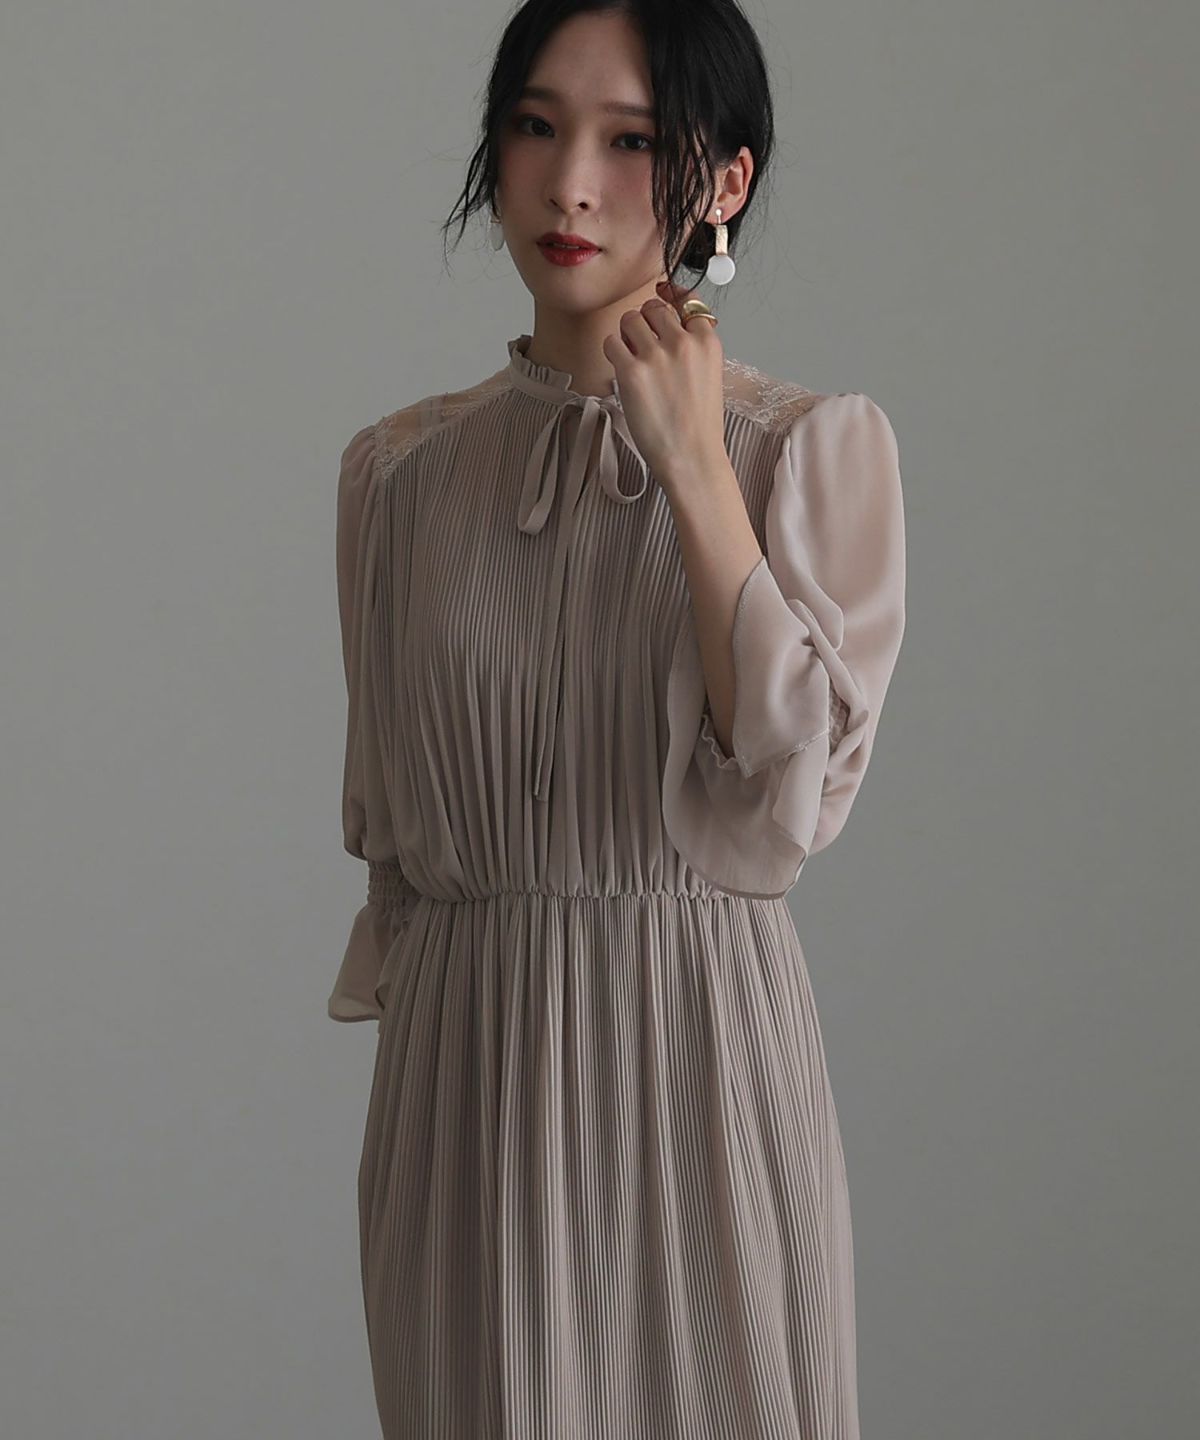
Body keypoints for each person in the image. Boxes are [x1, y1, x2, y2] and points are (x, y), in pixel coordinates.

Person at [328, 3, 906, 1436]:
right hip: (466, 1099)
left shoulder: (807, 451)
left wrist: (697, 472)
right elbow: (396, 844)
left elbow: (784, 802)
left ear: (726, 180)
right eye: (536, 125)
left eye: (633, 142)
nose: (570, 183)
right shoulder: (398, 476)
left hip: (700, 1079)